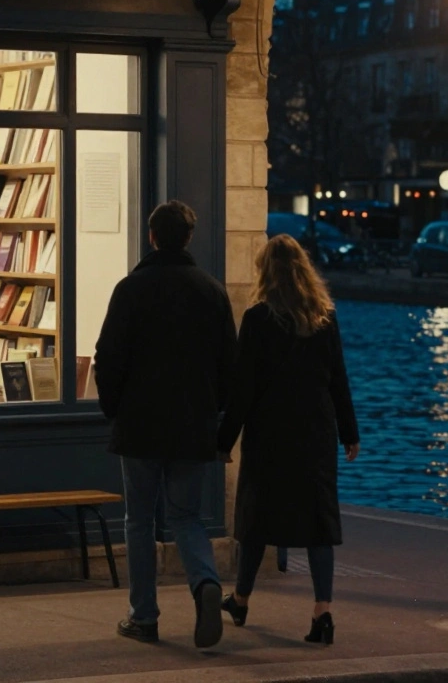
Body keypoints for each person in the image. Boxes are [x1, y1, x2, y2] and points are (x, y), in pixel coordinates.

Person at [94, 200, 238, 648]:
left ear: (153, 236)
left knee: (138, 520)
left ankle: (144, 616)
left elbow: (109, 356)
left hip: (140, 422)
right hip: (193, 423)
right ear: (188, 238)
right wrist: (214, 412)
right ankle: (205, 583)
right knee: (187, 517)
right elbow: (230, 365)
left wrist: (113, 409)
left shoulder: (131, 289)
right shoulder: (211, 291)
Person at [217, 233, 360, 646]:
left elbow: (243, 389)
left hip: (270, 432)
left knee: (256, 519)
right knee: (318, 524)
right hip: (316, 431)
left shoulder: (259, 319)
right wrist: (350, 433)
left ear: (266, 272)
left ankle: (241, 600)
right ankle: (323, 613)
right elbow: (338, 381)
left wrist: (225, 440)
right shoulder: (324, 317)